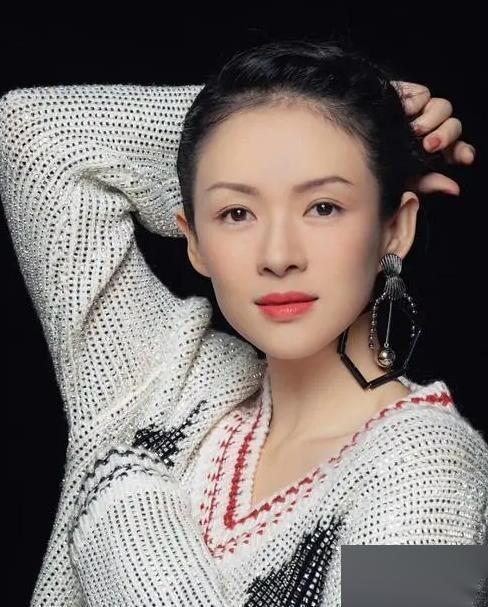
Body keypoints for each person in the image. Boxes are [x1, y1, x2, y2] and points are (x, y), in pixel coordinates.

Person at [1, 38, 485, 607]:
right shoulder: (165, 382)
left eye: (323, 207)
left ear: (394, 228)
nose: (278, 256)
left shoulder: (436, 468)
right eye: (236, 213)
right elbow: (35, 133)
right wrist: (353, 110)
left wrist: (126, 515)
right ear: (194, 240)